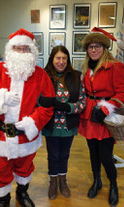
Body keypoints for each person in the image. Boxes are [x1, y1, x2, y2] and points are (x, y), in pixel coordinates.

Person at [0, 28, 55, 207]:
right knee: (0, 170)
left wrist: (31, 122)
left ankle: (22, 193)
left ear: (32, 52)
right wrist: (0, 98)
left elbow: (48, 105)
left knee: (25, 167)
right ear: (10, 50)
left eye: (25, 49)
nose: (21, 52)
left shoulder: (41, 75)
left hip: (26, 136)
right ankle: (3, 199)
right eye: (17, 48)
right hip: (1, 136)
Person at [79, 27, 124, 206]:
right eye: (91, 47)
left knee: (106, 156)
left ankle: (113, 185)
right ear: (87, 49)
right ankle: (97, 182)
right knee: (93, 153)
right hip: (90, 117)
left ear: (104, 48)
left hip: (105, 117)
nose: (94, 50)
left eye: (97, 46)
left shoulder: (116, 66)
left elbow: (123, 94)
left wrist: (106, 109)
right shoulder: (86, 68)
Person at [38, 46, 86, 200]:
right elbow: (37, 99)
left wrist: (69, 107)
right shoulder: (44, 76)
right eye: (58, 58)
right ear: (52, 59)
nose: (61, 61)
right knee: (53, 155)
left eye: (64, 58)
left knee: (64, 155)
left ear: (68, 60)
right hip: (51, 125)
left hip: (68, 125)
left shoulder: (76, 76)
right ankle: (53, 182)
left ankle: (63, 181)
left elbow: (82, 101)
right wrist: (43, 102)